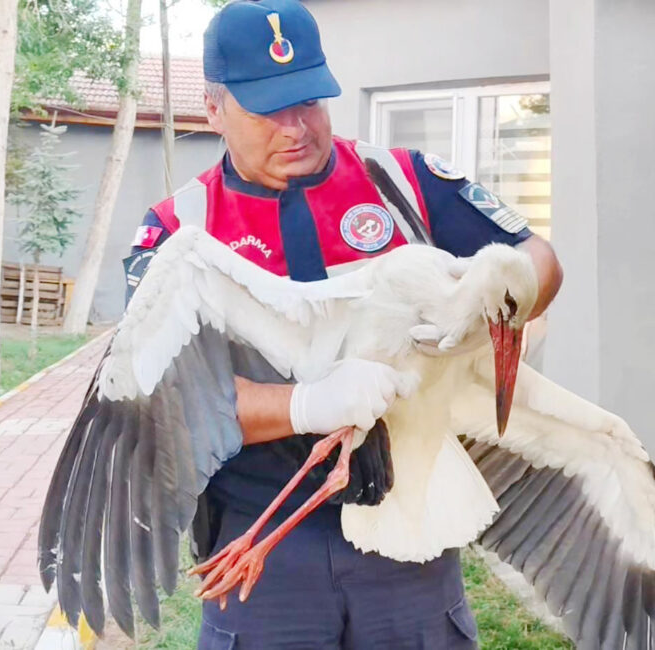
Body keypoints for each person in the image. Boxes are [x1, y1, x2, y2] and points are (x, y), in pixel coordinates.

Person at [123, 1, 563, 647]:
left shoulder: (405, 183)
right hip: (267, 545)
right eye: (268, 109)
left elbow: (537, 257)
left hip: (405, 534)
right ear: (213, 108)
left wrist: (493, 306)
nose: (296, 126)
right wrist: (306, 404)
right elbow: (161, 397)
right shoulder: (175, 231)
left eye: (309, 101)